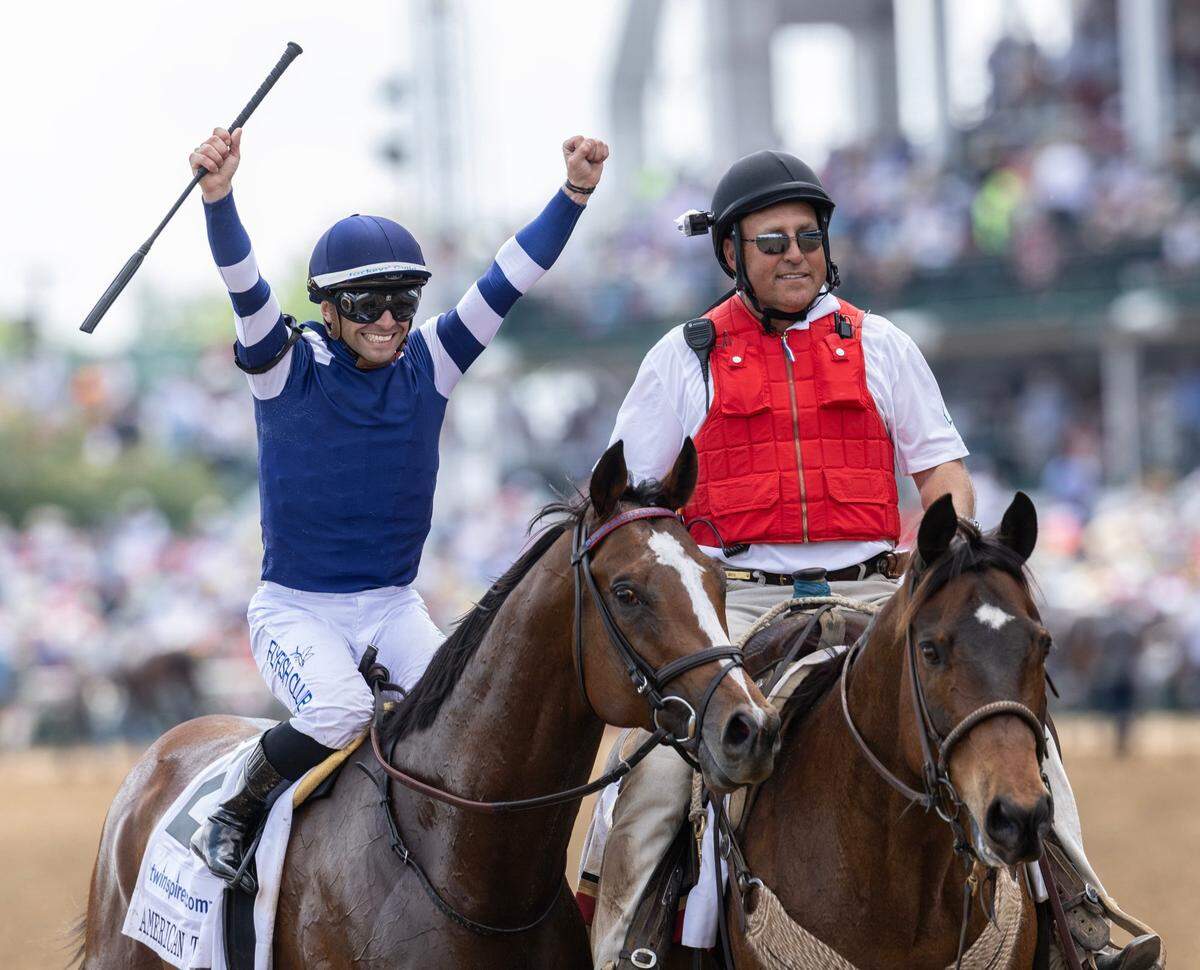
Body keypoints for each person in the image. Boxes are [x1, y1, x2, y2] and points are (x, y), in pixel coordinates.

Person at [584, 150, 1158, 970]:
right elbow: (636, 505)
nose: (794, 255)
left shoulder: (881, 344)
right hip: (737, 607)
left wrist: (944, 558)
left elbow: (944, 474)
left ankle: (1084, 927)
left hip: (875, 596)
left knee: (1022, 740)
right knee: (647, 783)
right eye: (772, 241)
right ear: (731, 254)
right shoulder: (683, 358)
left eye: (808, 238)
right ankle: (624, 949)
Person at [186, 124, 608, 891]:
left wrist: (573, 194)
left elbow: (508, 279)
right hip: (296, 609)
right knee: (343, 709)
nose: (390, 319)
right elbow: (244, 283)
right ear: (330, 308)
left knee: (466, 723)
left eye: (403, 301)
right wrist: (219, 197)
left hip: (392, 605)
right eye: (369, 302)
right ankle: (235, 808)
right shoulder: (284, 367)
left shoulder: (433, 361)